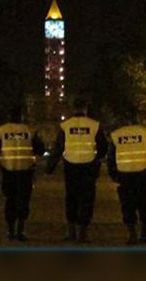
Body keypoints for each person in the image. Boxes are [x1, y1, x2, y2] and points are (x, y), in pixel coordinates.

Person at [46, 99, 108, 242]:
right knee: (87, 199)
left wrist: (50, 167)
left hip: (70, 166)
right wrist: (96, 158)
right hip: (89, 167)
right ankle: (83, 233)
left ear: (73, 109)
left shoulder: (65, 126)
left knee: (71, 198)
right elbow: (103, 147)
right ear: (86, 109)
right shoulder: (95, 125)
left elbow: (58, 148)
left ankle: (71, 231)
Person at [108, 121, 146, 244]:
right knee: (145, 204)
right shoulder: (145, 133)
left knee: (127, 205)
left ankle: (132, 234)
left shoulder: (116, 135)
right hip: (143, 174)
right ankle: (144, 233)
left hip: (124, 175)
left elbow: (111, 157)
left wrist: (113, 174)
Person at [0, 107, 46, 241]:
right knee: (23, 200)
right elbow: (41, 149)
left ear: (8, 117)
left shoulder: (1, 131)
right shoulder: (29, 131)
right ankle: (20, 230)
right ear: (21, 117)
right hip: (25, 171)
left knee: (10, 200)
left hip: (8, 170)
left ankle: (10, 231)